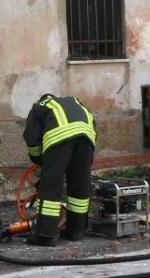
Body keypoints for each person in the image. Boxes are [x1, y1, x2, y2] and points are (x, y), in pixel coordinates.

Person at [22, 94, 96, 246]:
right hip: (87, 136)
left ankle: (46, 235)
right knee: (80, 185)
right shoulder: (74, 101)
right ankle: (76, 231)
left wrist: (38, 159)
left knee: (51, 187)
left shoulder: (38, 107)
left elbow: (32, 137)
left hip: (59, 137)